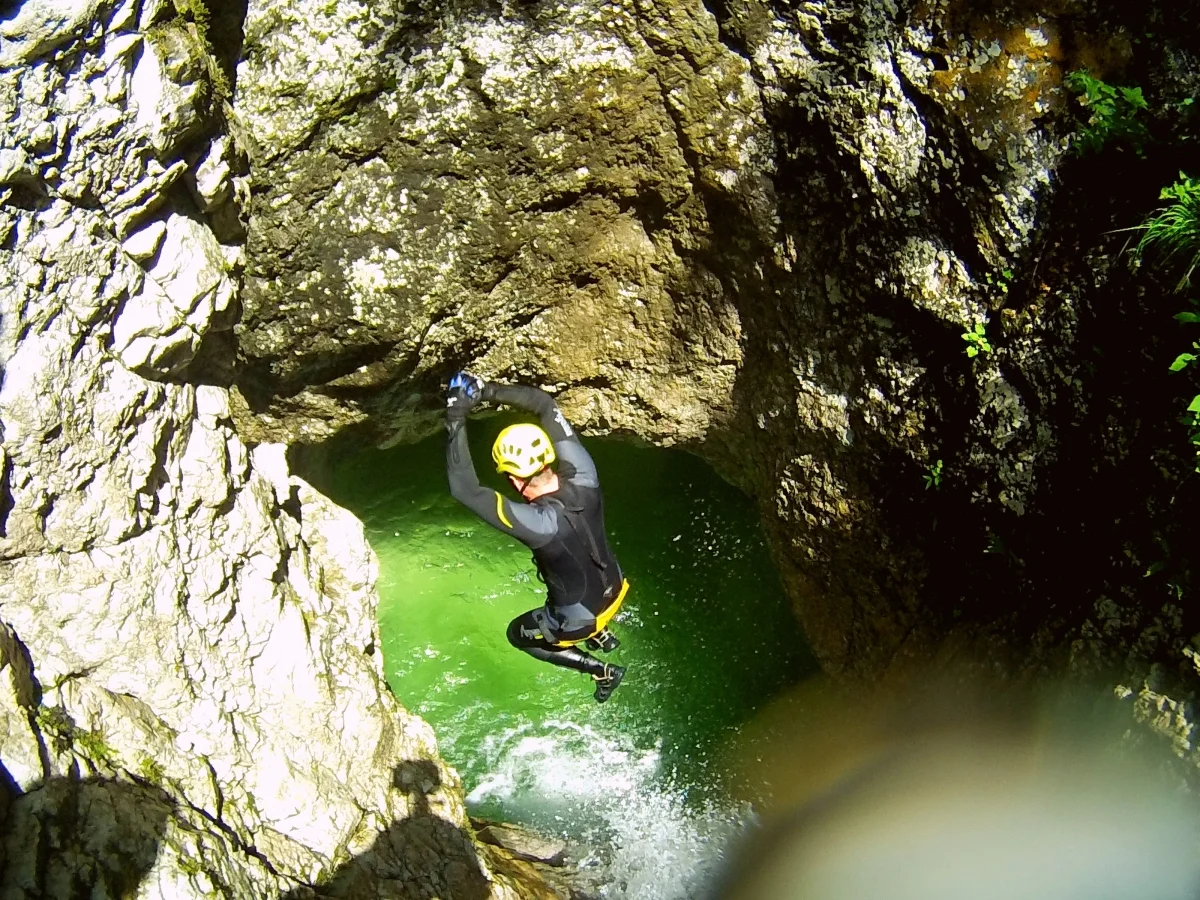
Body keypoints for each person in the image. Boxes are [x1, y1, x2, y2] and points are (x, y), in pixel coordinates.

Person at [444, 372, 628, 703]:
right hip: (616, 588)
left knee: (519, 635)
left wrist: (456, 416)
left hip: (580, 619)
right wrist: (487, 391)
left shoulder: (538, 524)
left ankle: (602, 671)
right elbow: (544, 405)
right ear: (547, 457)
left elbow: (465, 489)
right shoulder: (584, 474)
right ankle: (602, 636)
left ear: (515, 481)